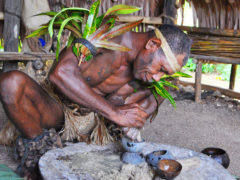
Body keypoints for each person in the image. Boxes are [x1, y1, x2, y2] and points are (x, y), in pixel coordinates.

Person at [0, 24, 191, 146]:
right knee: (11, 82)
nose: (158, 77)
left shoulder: (149, 77)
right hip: (59, 111)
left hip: (97, 126)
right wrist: (114, 112)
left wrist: (132, 126)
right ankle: (39, 148)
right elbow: (61, 73)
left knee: (163, 88)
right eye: (161, 69)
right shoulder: (106, 35)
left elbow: (137, 109)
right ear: (152, 44)